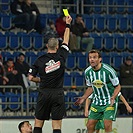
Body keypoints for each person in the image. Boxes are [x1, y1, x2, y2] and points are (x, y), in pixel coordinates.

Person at [28, 15, 72, 133]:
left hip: (44, 93)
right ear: (58, 46)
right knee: (56, 125)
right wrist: (67, 24)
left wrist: (40, 80)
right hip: (57, 93)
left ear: (47, 46)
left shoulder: (40, 60)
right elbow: (66, 39)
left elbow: (31, 77)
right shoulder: (61, 55)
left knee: (38, 124)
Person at [75, 49, 121, 133]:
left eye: (94, 57)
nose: (92, 59)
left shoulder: (109, 71)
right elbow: (90, 87)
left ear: (100, 59)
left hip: (109, 101)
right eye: (90, 58)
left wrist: (113, 97)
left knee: (107, 124)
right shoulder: (88, 72)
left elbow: (118, 86)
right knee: (90, 125)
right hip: (97, 102)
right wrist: (84, 97)